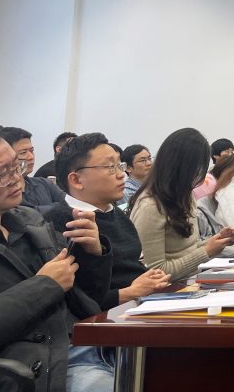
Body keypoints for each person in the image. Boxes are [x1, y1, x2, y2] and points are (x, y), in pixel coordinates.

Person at [0, 125, 111, 392]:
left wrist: (93, 253)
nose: (17, 179)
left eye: (16, 167)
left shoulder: (29, 221)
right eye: (2, 175)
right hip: (32, 368)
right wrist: (45, 285)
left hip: (89, 343)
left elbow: (88, 297)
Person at [46, 132, 172, 392]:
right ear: (76, 179)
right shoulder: (64, 223)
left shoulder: (115, 214)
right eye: (110, 167)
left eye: (119, 165)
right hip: (102, 332)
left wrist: (149, 281)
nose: (121, 175)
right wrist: (131, 292)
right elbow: (77, 301)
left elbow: (134, 266)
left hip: (136, 314)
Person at [130, 128, 234, 279]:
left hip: (192, 281)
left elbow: (187, 250)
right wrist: (207, 251)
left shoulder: (185, 195)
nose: (200, 174)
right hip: (169, 289)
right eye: (196, 168)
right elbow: (154, 272)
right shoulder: (150, 206)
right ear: (181, 168)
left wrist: (215, 242)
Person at [0, 126, 66, 214]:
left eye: (32, 151)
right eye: (23, 153)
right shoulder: (3, 191)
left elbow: (71, 204)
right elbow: (23, 214)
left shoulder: (44, 184)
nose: (31, 157)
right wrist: (59, 207)